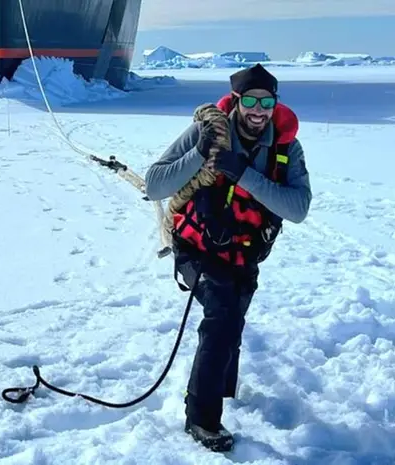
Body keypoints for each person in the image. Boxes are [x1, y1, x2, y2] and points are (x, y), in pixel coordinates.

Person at [144, 64, 312, 452]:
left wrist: (245, 176)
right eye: (250, 100)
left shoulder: (286, 146)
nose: (258, 110)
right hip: (195, 248)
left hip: (243, 252)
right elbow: (155, 184)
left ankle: (222, 387)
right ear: (236, 100)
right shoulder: (207, 132)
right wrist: (199, 154)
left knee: (233, 312)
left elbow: (298, 207)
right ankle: (201, 418)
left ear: (275, 104)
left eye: (266, 101)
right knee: (222, 314)